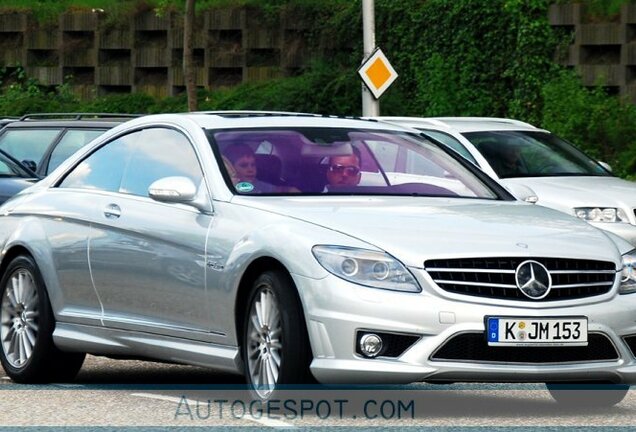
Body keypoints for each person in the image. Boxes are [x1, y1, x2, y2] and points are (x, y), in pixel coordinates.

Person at [223, 143, 299, 193]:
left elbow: (279, 190)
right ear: (230, 168)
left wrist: (290, 190)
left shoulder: (258, 184)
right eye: (244, 165)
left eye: (253, 165)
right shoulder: (227, 188)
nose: (250, 169)